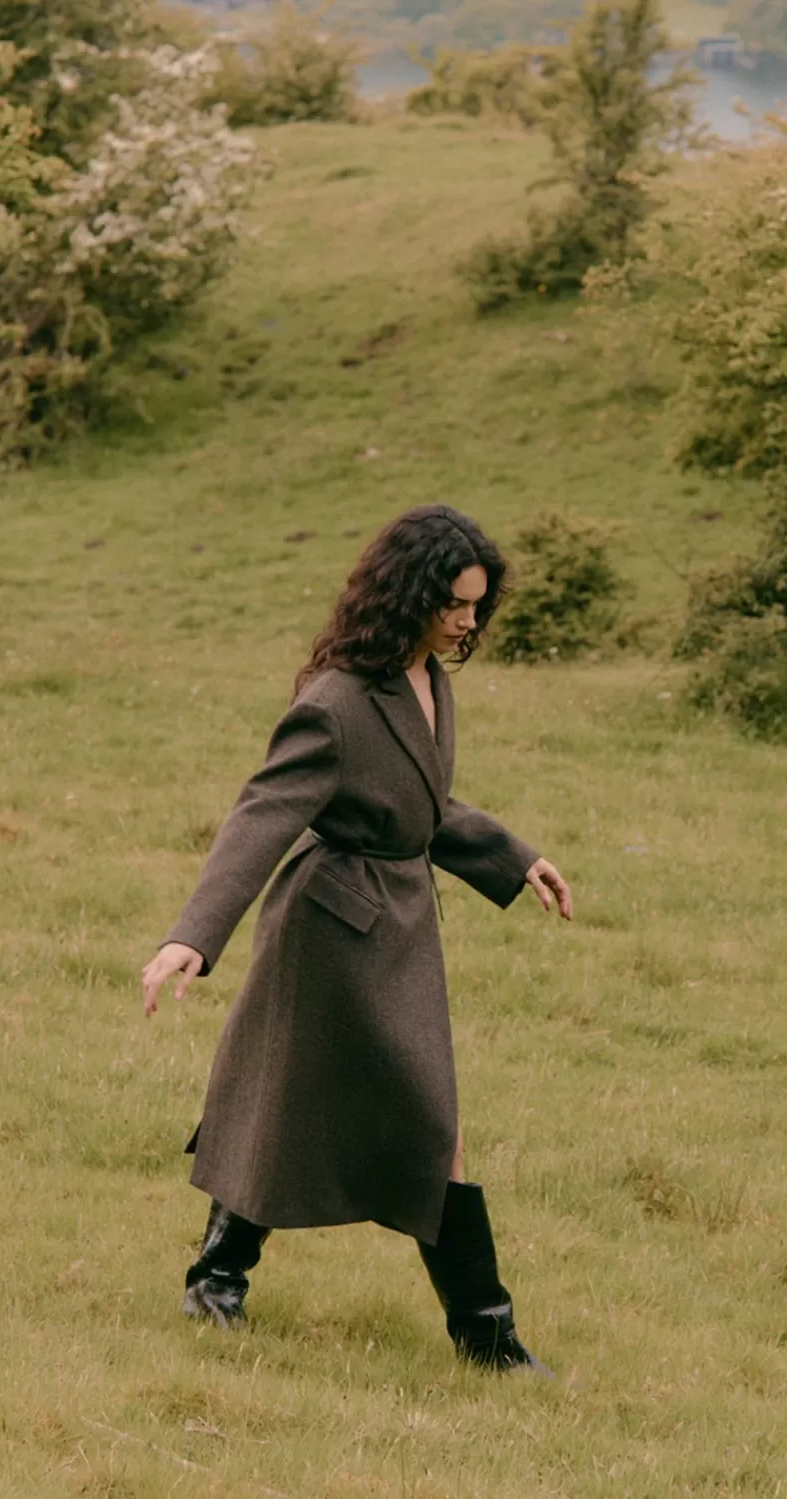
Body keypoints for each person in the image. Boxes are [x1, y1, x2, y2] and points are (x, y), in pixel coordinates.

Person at [141, 505, 572, 1375]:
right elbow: (263, 813)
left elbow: (418, 803)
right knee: (390, 1115)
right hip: (330, 930)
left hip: (400, 926)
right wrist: (194, 935)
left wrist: (512, 856)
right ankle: (485, 1336)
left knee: (309, 1104)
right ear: (409, 594)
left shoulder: (429, 679)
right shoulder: (336, 701)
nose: (469, 620)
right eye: (454, 603)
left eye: (478, 604)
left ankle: (221, 1276)